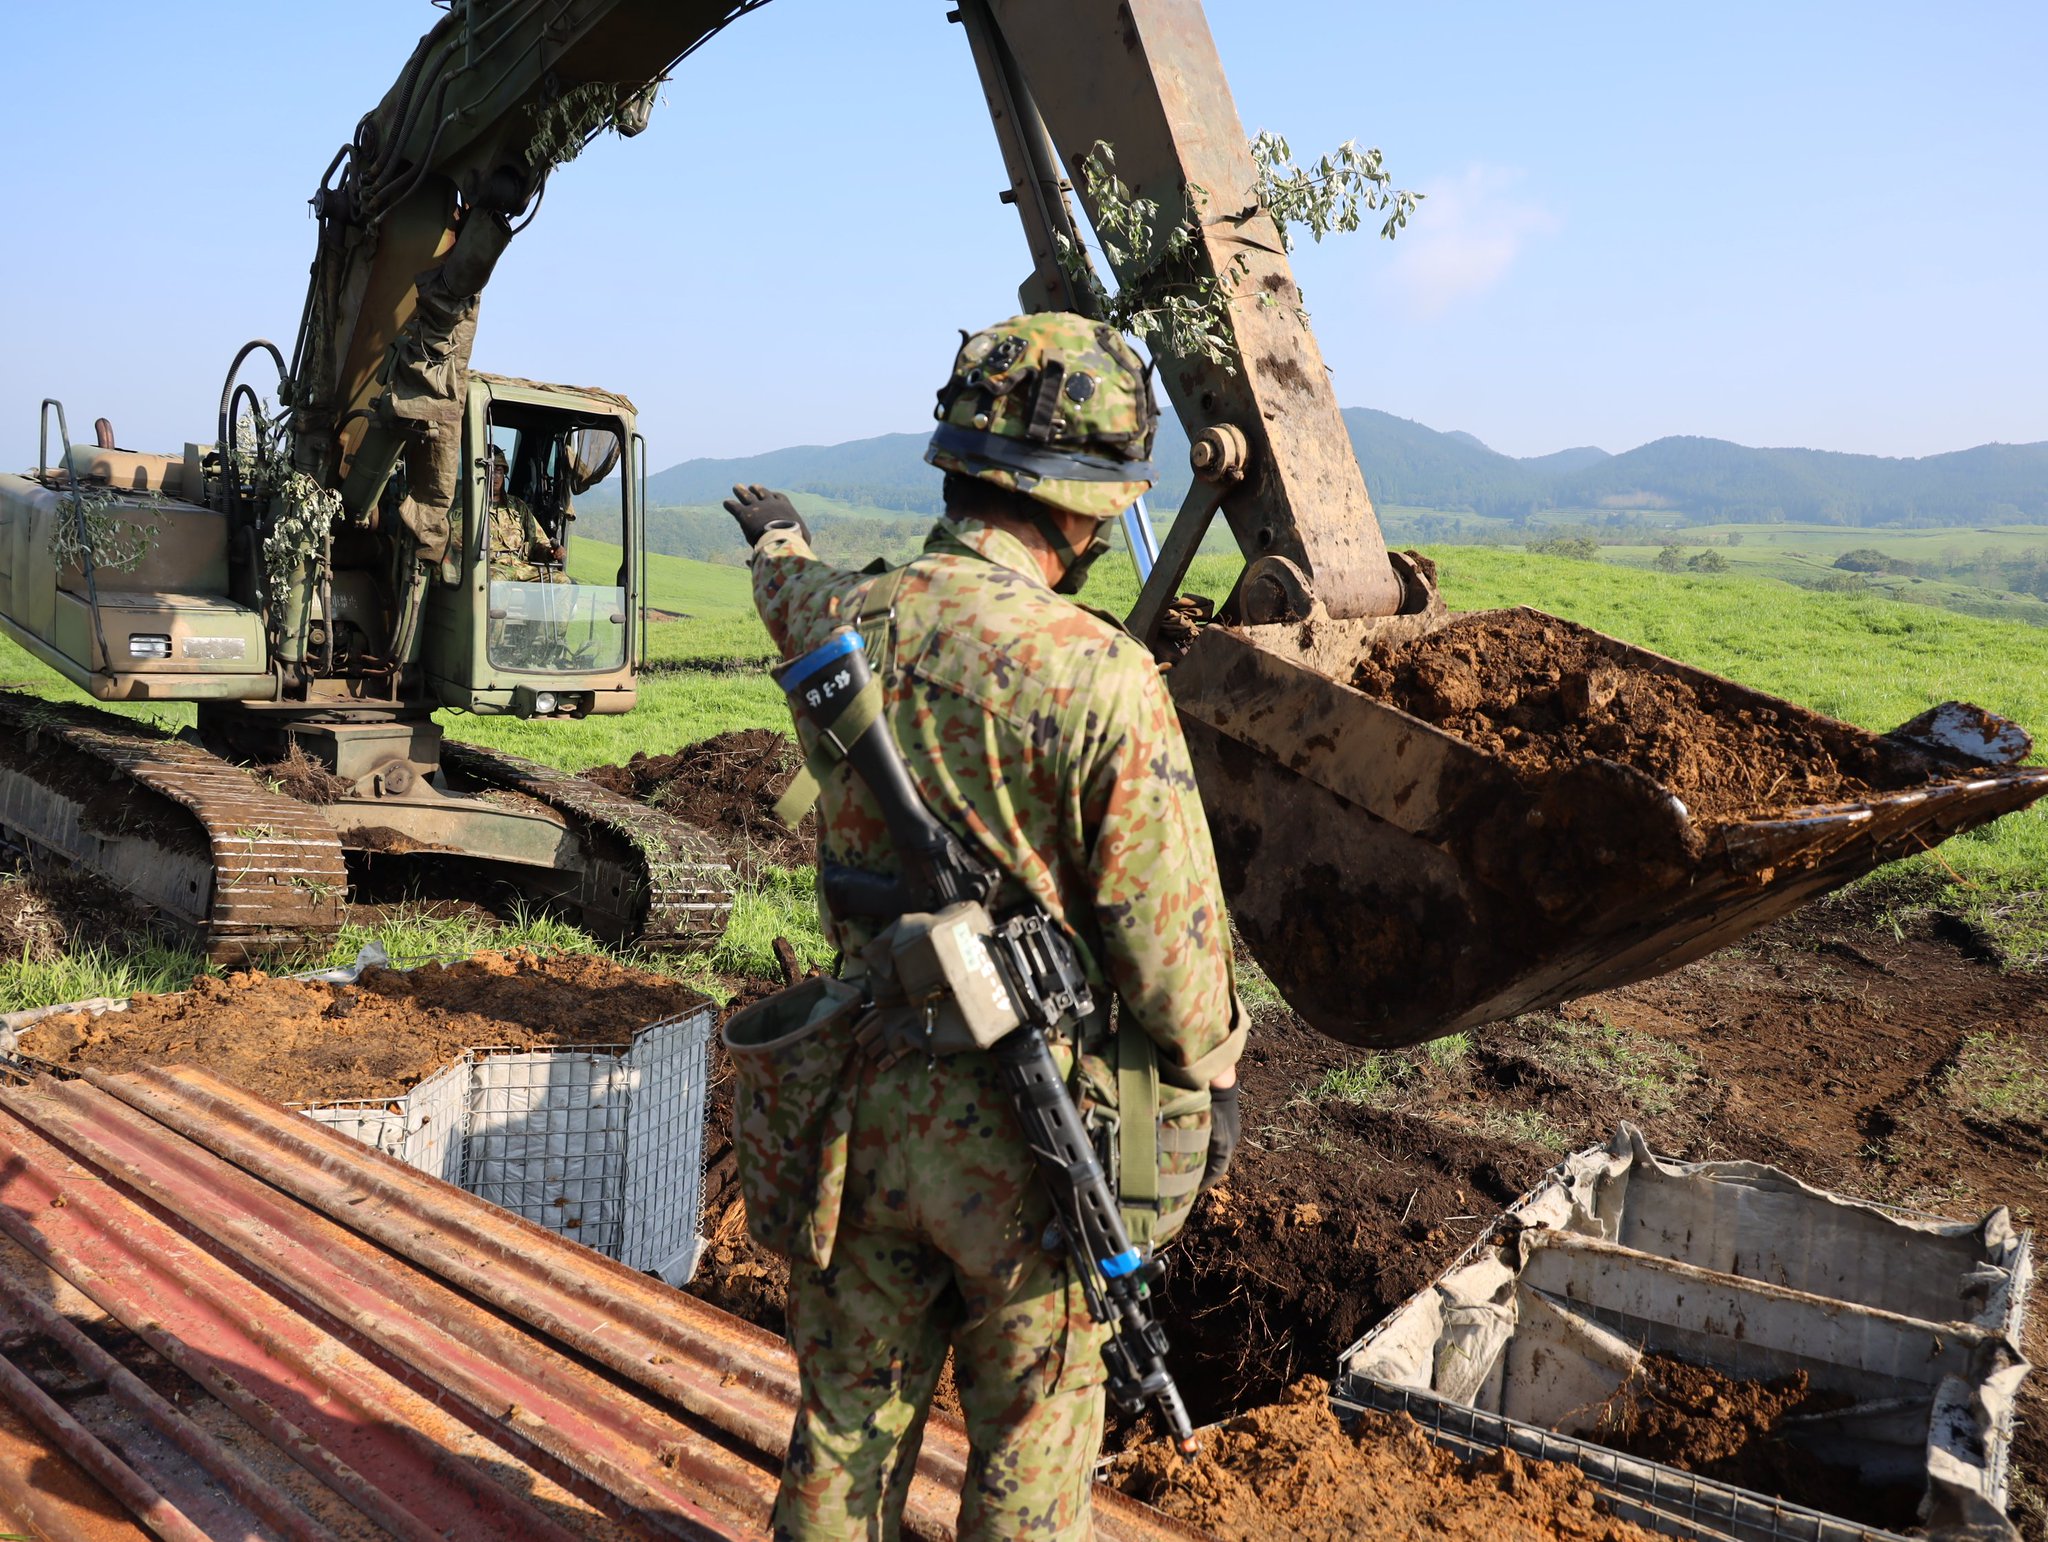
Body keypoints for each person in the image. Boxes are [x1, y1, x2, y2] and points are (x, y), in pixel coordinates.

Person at [725, 312, 1247, 1540]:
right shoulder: (1097, 676)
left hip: (852, 1114)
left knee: (843, 1442)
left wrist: (780, 538)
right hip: (1029, 1149)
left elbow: (785, 588)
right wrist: (1211, 1077)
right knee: (1028, 1463)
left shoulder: (840, 620)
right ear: (1079, 506)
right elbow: (1167, 953)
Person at [485, 444, 564, 583]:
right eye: (490, 470)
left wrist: (550, 551)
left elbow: (537, 541)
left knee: (562, 581)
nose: (495, 476)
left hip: (519, 567)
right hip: (490, 568)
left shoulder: (517, 505)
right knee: (497, 582)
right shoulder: (468, 505)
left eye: (499, 471)